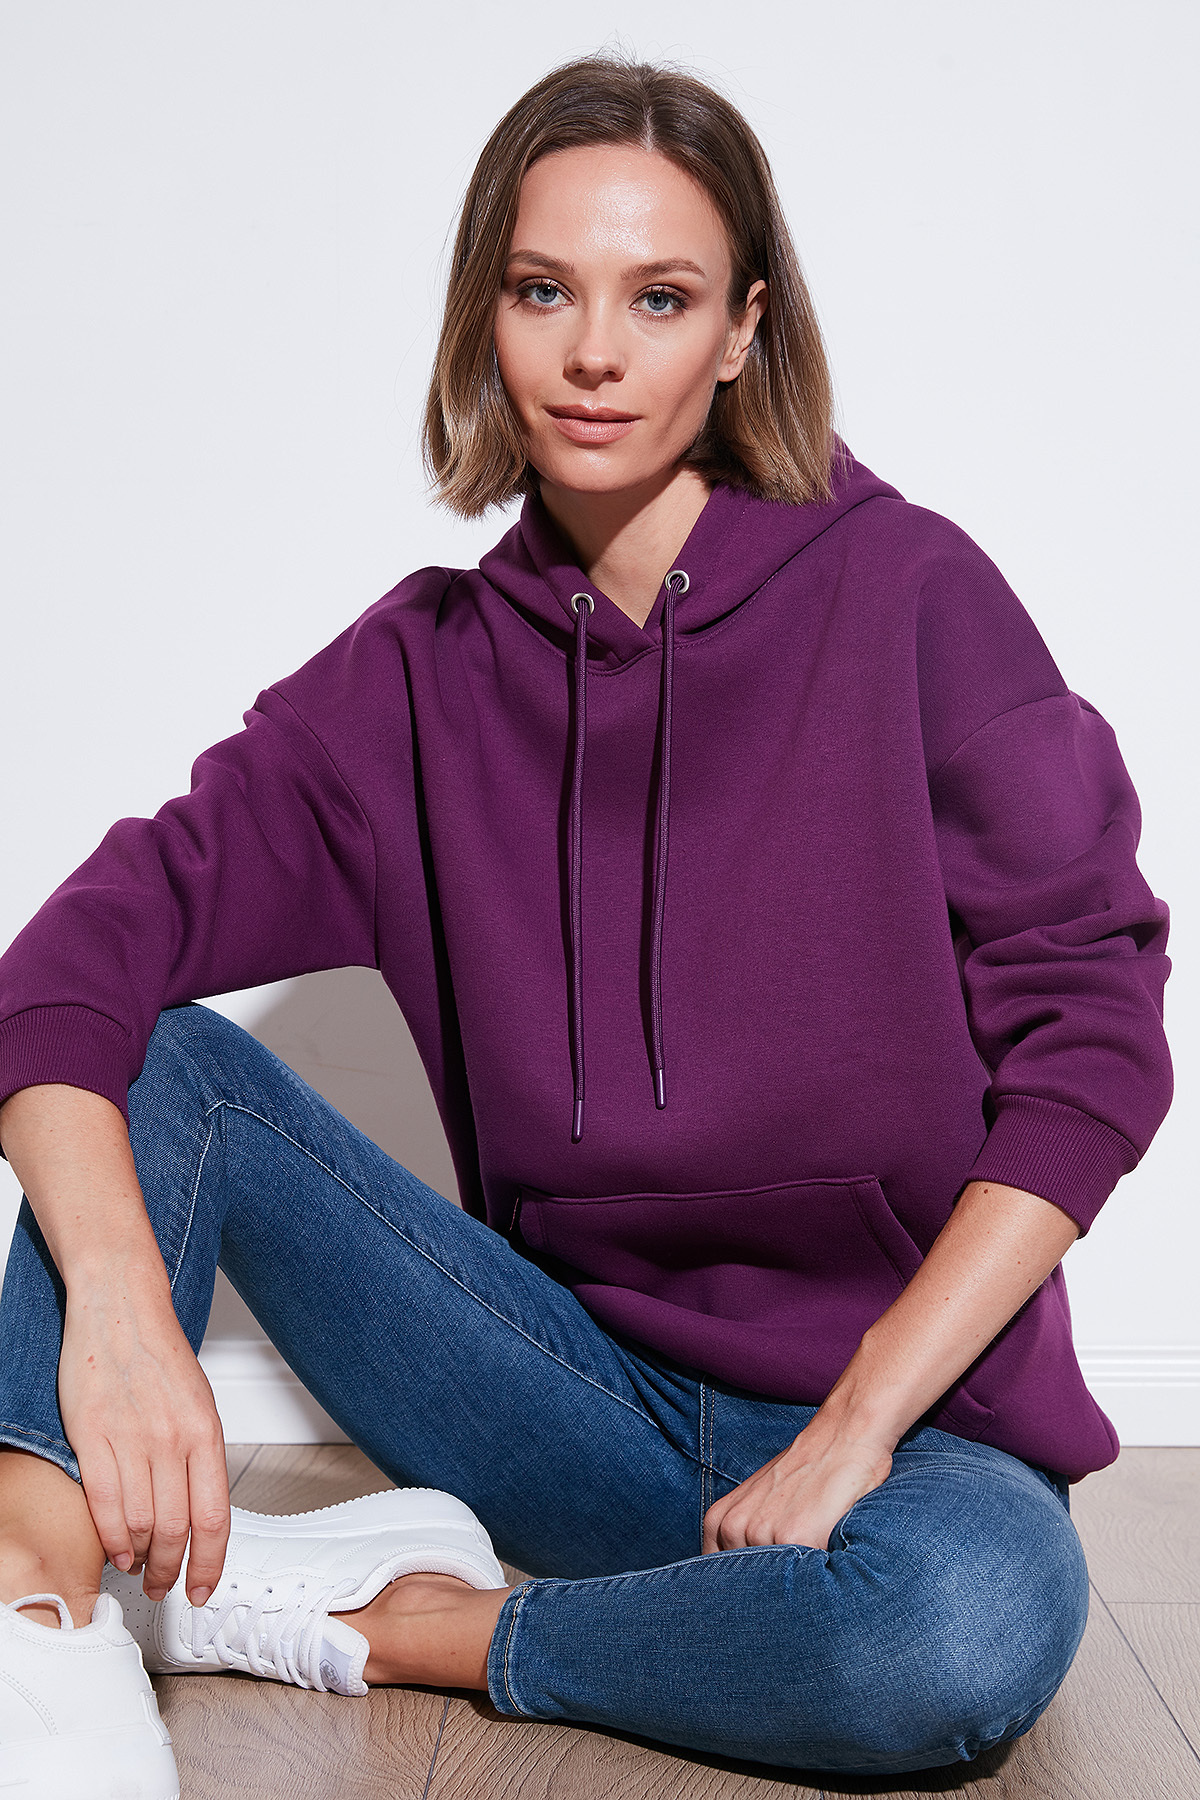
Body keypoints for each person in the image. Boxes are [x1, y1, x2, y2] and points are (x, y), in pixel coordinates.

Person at [0, 51, 1172, 1799]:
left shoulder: (917, 599)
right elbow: (70, 969)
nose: (596, 353)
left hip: (916, 1429)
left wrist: (854, 1425)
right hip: (569, 1400)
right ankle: (35, 1599)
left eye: (661, 297)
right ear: (487, 318)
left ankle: (400, 1623)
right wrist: (113, 1299)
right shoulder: (418, 678)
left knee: (955, 1640)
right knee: (160, 1065)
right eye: (544, 290)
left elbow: (1097, 1048)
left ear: (746, 328)